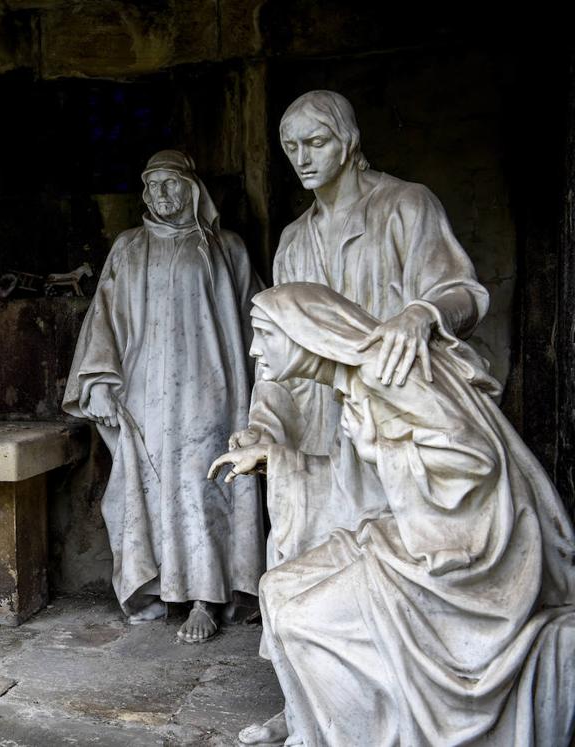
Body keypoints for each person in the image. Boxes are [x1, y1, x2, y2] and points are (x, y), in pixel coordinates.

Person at [230, 91, 491, 745]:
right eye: (290, 147)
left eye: (314, 142)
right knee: (303, 562)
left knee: (384, 585)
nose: (301, 158)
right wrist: (264, 426)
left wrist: (421, 313)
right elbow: (278, 354)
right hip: (318, 429)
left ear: (346, 140)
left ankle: (393, 711)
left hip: (392, 425)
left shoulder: (406, 206)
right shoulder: (293, 241)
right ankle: (307, 711)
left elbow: (461, 289)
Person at [210, 282, 575, 747]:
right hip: (415, 534)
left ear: (307, 333)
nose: (255, 349)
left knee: (304, 620)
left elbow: (473, 462)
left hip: (465, 552)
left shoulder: (385, 373)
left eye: (265, 334)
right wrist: (275, 458)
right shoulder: (355, 384)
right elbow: (351, 487)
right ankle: (309, 731)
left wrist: (376, 446)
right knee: (276, 586)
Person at [62, 149, 264, 643]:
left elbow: (259, 320)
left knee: (205, 486)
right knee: (149, 488)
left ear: (193, 188)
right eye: (150, 185)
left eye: (170, 183)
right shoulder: (129, 248)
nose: (159, 194)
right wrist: (102, 383)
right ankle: (158, 586)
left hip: (213, 391)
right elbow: (104, 319)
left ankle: (206, 598)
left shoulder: (225, 248)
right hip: (145, 393)